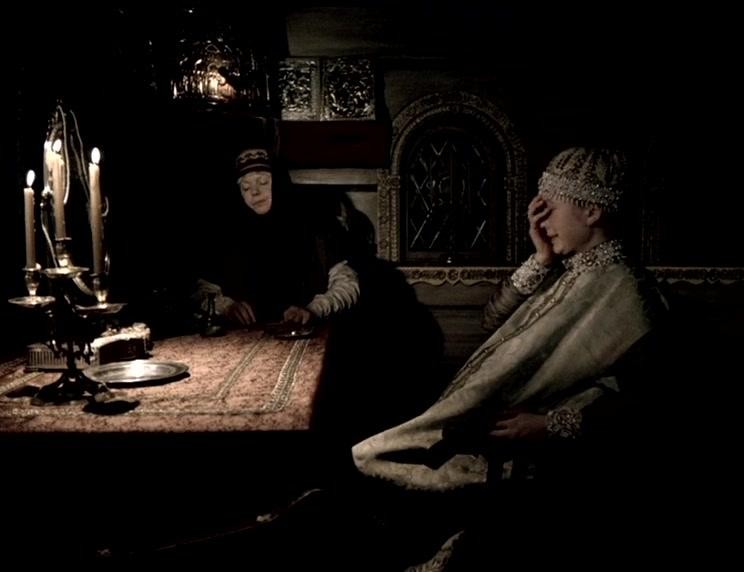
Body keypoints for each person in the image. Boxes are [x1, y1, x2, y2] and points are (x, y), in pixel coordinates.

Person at [195, 147, 360, 328]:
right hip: (245, 336)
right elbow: (202, 289)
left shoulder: (314, 225)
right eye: (246, 187)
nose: (254, 192)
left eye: (263, 182)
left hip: (307, 334)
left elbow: (347, 283)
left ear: (280, 184)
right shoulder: (229, 233)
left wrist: (313, 310)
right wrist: (226, 307)